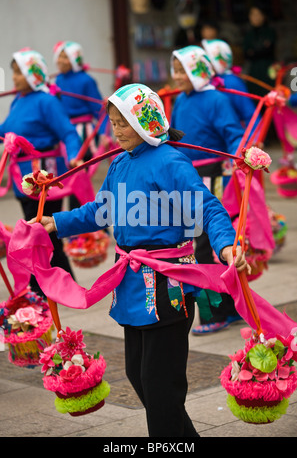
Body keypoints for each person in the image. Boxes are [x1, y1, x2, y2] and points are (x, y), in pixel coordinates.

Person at [29, 83, 249, 437]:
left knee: (160, 382)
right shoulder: (119, 163)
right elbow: (102, 209)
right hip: (130, 282)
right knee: (137, 373)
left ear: (147, 122)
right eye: (113, 122)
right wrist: (56, 222)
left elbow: (206, 207)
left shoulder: (169, 161)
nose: (115, 130)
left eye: (123, 123)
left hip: (167, 283)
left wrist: (226, 246)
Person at [170, 45, 245, 334]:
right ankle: (226, 308)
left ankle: (217, 312)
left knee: (204, 246)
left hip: (213, 175)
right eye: (174, 70)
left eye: (181, 70)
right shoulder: (180, 100)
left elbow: (234, 134)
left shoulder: (216, 99)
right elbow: (174, 135)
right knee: (192, 244)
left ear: (196, 70)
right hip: (186, 176)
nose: (176, 76)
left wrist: (241, 158)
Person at [0, 48, 82, 295]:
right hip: (20, 175)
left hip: (43, 176)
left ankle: (60, 285)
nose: (13, 79)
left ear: (32, 73)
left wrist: (75, 156)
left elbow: (67, 132)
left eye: (18, 73)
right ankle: (44, 285)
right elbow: (6, 130)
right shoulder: (19, 100)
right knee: (34, 231)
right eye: (13, 73)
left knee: (46, 232)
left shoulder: (46, 100)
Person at [53, 41, 109, 209]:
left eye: (65, 57)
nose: (60, 61)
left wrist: (104, 134)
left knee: (78, 177)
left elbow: (100, 110)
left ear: (74, 59)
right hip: (64, 133)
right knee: (68, 178)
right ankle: (82, 224)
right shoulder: (57, 80)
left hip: (84, 134)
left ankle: (86, 225)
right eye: (59, 57)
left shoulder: (86, 80)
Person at [202, 38, 260, 130]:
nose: (203, 62)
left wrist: (253, 140)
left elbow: (250, 114)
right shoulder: (206, 81)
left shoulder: (232, 82)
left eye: (207, 57)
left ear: (218, 60)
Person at [243, 6, 276, 97]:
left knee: (270, 94)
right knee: (255, 94)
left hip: (268, 68)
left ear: (263, 16)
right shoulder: (248, 34)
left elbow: (267, 50)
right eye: (253, 15)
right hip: (253, 69)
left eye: (258, 14)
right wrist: (260, 49)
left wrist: (254, 52)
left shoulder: (269, 32)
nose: (255, 17)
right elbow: (246, 53)